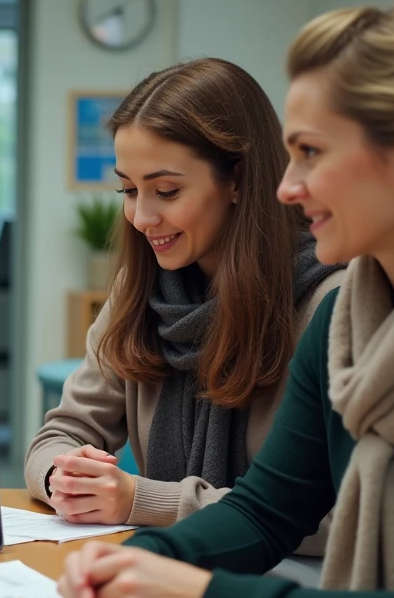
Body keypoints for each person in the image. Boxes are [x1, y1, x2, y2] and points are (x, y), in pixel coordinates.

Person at [58, 0, 394, 598]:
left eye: (311, 153)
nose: (287, 187)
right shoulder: (348, 320)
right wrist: (142, 559)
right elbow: (266, 511)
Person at [25, 58, 341, 551]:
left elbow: (336, 515)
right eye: (128, 189)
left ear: (237, 180)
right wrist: (63, 478)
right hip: (165, 565)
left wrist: (146, 500)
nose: (141, 217)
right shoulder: (140, 289)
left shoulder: (329, 304)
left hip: (289, 578)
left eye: (167, 191)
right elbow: (59, 435)